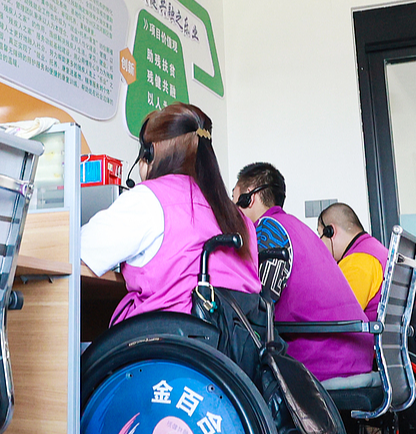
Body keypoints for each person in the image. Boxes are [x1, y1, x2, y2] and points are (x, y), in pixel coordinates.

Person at [80, 103, 259, 324]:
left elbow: (79, 249)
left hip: (170, 345)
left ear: (150, 152)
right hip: (231, 353)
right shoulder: (240, 219)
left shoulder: (149, 199)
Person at [233, 163, 373, 382]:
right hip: (356, 355)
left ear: (249, 197)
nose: (233, 210)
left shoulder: (268, 229)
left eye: (235, 200)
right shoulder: (299, 227)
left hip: (325, 361)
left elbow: (260, 304)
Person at [319, 202, 391, 313]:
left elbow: (337, 317)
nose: (320, 244)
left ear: (331, 232)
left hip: (371, 330)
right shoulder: (373, 249)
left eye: (320, 235)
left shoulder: (358, 262)